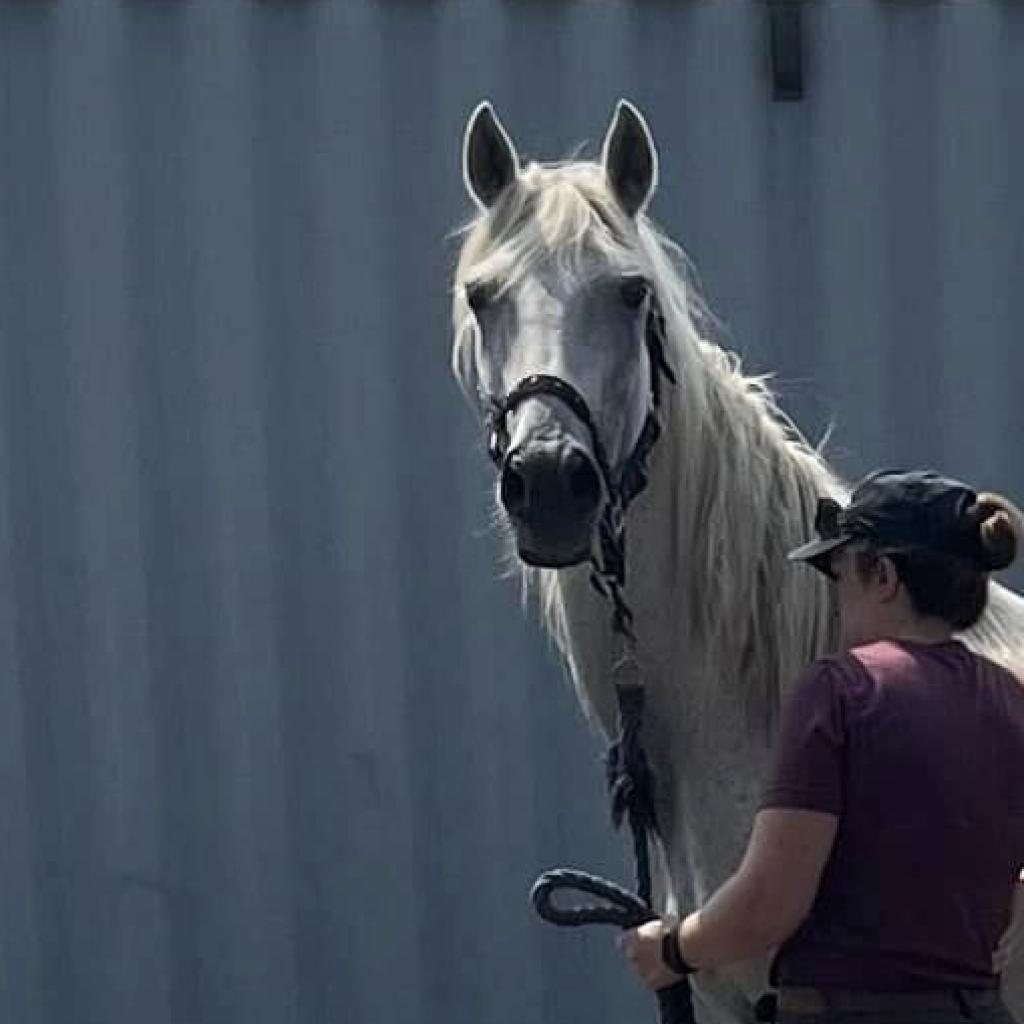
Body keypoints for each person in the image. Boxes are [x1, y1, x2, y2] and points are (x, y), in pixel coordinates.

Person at [620, 469, 1024, 1024]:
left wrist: (673, 948)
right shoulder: (1010, 698)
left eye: (840, 578)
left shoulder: (841, 690)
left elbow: (771, 901)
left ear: (882, 575)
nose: (835, 602)